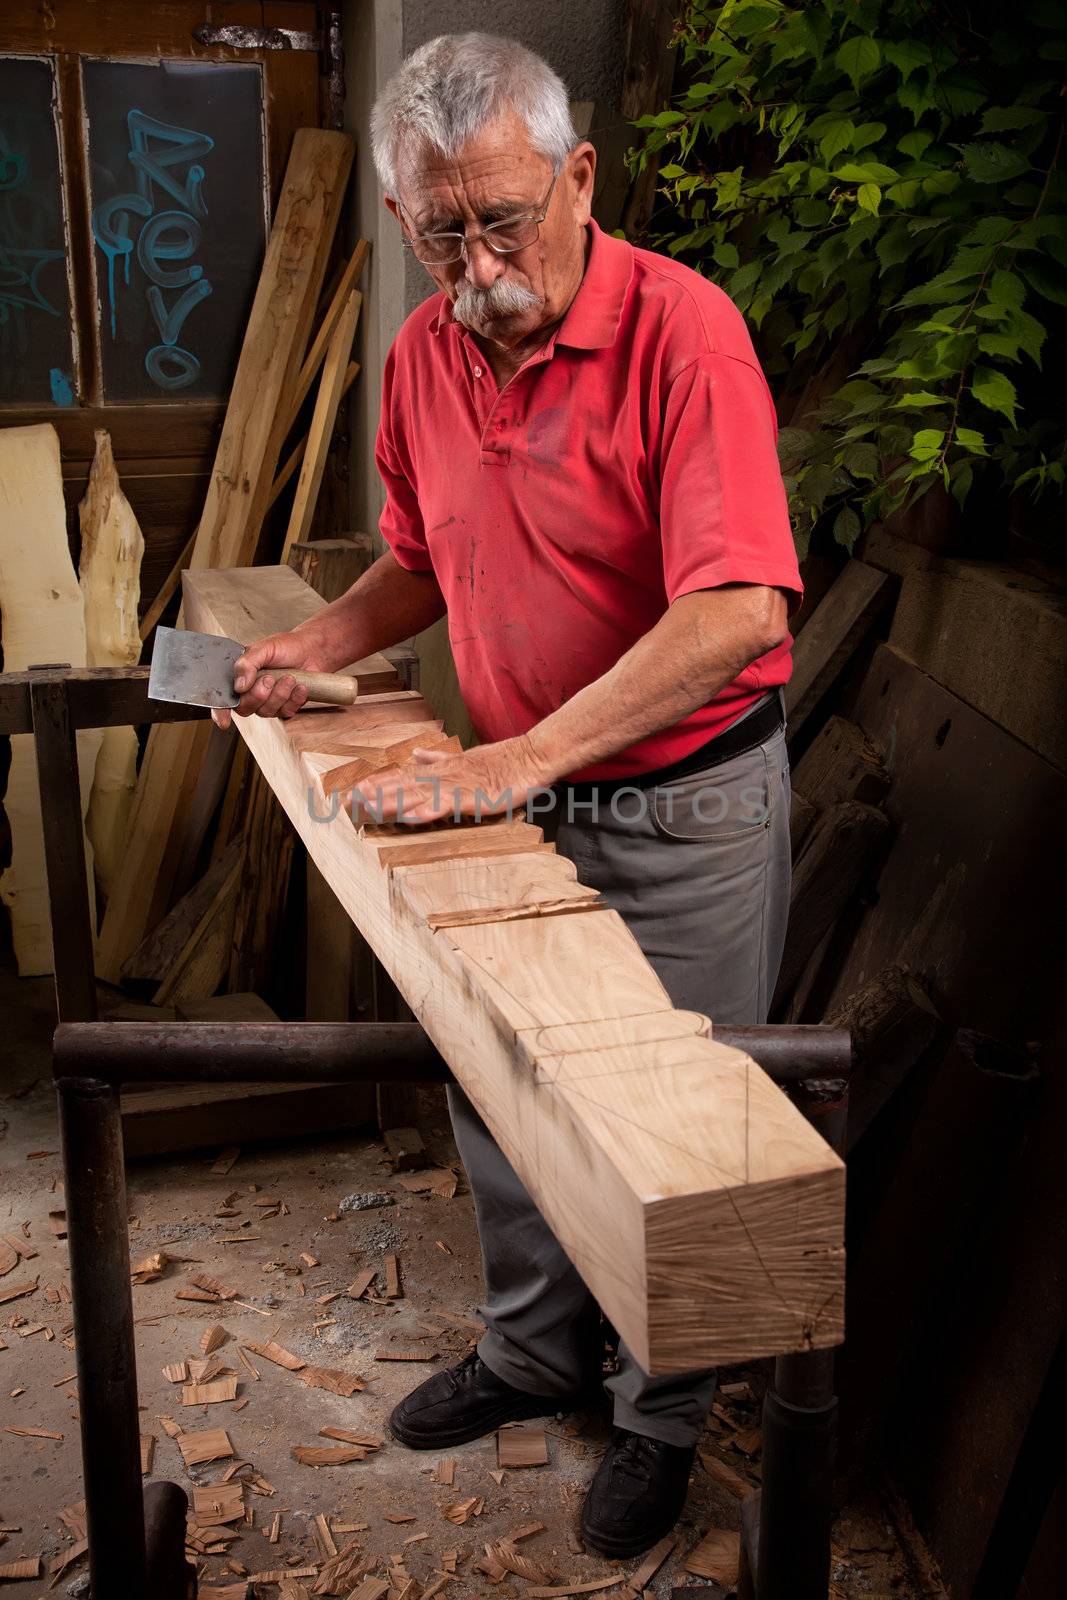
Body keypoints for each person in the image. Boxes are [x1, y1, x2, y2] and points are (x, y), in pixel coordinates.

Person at [214, 32, 802, 1556]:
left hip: (681, 803)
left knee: (672, 1129)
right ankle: (536, 1352)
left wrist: (520, 758)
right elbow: (423, 557)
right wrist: (313, 647)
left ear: (580, 178)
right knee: (504, 1083)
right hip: (521, 783)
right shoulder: (425, 356)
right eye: (441, 233)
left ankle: (661, 1419)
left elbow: (738, 607)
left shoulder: (688, 334)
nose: (478, 263)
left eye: (504, 220)